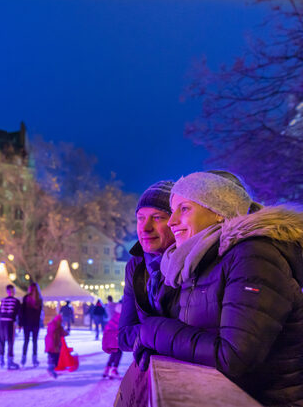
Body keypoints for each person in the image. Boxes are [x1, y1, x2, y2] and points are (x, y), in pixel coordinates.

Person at [136, 171, 303, 406]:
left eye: (184, 209)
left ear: (218, 212)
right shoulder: (198, 262)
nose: (172, 221)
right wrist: (157, 342)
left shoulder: (254, 256)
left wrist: (153, 332)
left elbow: (234, 356)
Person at [118, 180, 179, 370]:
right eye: (140, 218)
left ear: (175, 222)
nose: (145, 227)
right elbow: (124, 335)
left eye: (157, 217)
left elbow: (195, 329)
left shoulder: (190, 260)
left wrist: (147, 333)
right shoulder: (136, 265)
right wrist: (157, 334)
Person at [20, 282, 43, 367]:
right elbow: (22, 312)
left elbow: (39, 313)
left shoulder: (39, 299)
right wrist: (21, 323)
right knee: (28, 341)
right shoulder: (26, 298)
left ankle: (33, 359)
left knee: (33, 341)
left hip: (34, 323)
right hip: (28, 323)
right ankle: (25, 358)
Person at [0, 284, 21, 370]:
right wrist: (20, 324)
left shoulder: (3, 300)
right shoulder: (16, 301)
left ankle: (1, 360)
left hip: (1, 322)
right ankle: (10, 361)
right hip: (9, 322)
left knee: (2, 341)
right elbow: (19, 313)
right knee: (10, 341)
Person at [102, 302, 123, 379]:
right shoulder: (122, 318)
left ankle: (107, 369)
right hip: (117, 338)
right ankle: (114, 370)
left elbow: (107, 328)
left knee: (114, 353)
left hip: (110, 338)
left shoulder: (114, 316)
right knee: (119, 353)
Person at [44, 314, 68, 379]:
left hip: (53, 345)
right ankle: (50, 368)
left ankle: (51, 367)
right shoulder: (55, 326)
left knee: (54, 358)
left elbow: (63, 333)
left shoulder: (56, 326)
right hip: (53, 346)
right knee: (53, 357)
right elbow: (60, 333)